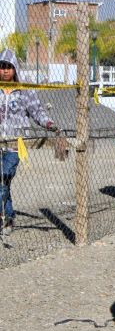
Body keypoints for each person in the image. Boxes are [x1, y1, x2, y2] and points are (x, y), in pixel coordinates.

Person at [0, 49, 60, 234]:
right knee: (3, 184)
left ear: (15, 69)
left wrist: (48, 123)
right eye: (2, 67)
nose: (5, 71)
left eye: (9, 67)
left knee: (3, 178)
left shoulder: (25, 91)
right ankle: (8, 218)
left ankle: (6, 218)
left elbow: (37, 111)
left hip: (15, 145)